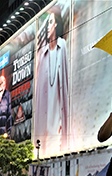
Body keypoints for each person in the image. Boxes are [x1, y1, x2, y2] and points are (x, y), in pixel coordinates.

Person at [35, 5, 69, 157]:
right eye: (47, 23)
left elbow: (66, 85)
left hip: (59, 116)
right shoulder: (42, 54)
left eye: (50, 22)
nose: (48, 27)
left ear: (56, 24)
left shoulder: (63, 46)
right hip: (45, 119)